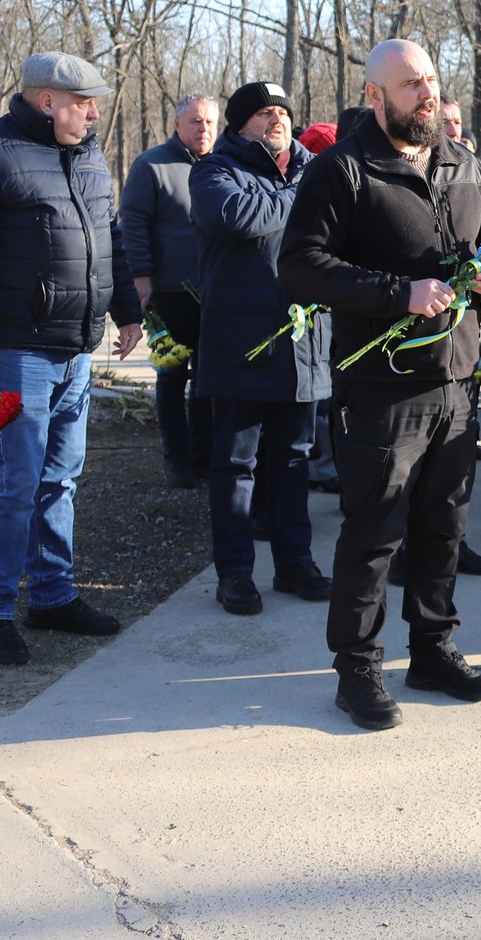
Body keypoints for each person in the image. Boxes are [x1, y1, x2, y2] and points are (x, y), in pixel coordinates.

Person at [280, 39, 481, 730]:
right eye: (411, 84)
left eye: (432, 81)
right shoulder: (342, 171)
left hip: (458, 381)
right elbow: (301, 266)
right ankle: (358, 667)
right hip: (381, 387)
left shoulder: (464, 164)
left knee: (444, 526)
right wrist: (396, 293)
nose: (427, 94)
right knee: (374, 530)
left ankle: (434, 649)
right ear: (375, 96)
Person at [0, 51, 142, 666]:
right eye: (84, 102)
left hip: (75, 355)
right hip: (13, 359)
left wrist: (127, 311)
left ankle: (51, 595)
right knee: (17, 481)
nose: (95, 113)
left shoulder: (90, 155)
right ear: (47, 102)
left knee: (60, 480)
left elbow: (112, 239)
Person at [191, 82, 334, 616]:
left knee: (294, 460)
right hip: (240, 344)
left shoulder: (314, 169)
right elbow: (234, 219)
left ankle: (295, 563)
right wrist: (301, 196)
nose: (276, 119)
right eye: (263, 113)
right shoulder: (213, 171)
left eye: (282, 112)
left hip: (303, 343)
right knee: (235, 463)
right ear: (238, 125)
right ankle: (235, 574)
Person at [120, 93, 218, 490]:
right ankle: (176, 461)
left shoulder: (222, 164)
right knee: (172, 375)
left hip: (216, 293)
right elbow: (133, 225)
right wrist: (141, 277)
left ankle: (203, 457)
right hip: (171, 292)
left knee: (209, 380)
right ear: (177, 124)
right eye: (195, 121)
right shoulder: (151, 165)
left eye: (210, 122)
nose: (203, 129)